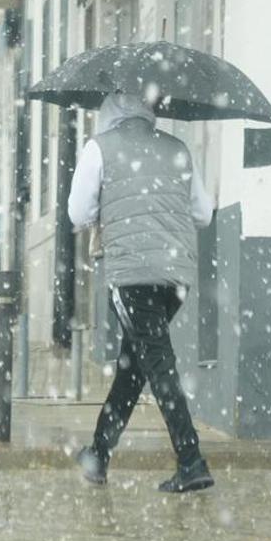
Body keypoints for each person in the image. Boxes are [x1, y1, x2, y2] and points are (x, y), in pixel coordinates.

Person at [68, 92, 215, 494]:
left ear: (107, 116)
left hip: (131, 275)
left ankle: (191, 461)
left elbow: (77, 214)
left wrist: (110, 209)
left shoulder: (99, 148)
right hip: (176, 279)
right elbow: (203, 212)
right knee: (136, 366)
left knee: (158, 365)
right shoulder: (178, 148)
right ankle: (98, 453)